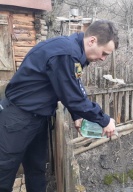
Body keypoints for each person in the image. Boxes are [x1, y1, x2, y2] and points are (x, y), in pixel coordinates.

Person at [0, 20, 119, 192]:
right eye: (104, 53)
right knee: (4, 171)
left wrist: (77, 115)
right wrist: (104, 120)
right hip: (17, 119)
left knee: (37, 169)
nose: (103, 58)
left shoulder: (74, 52)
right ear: (92, 41)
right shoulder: (66, 54)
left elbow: (69, 87)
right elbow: (75, 98)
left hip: (37, 118)